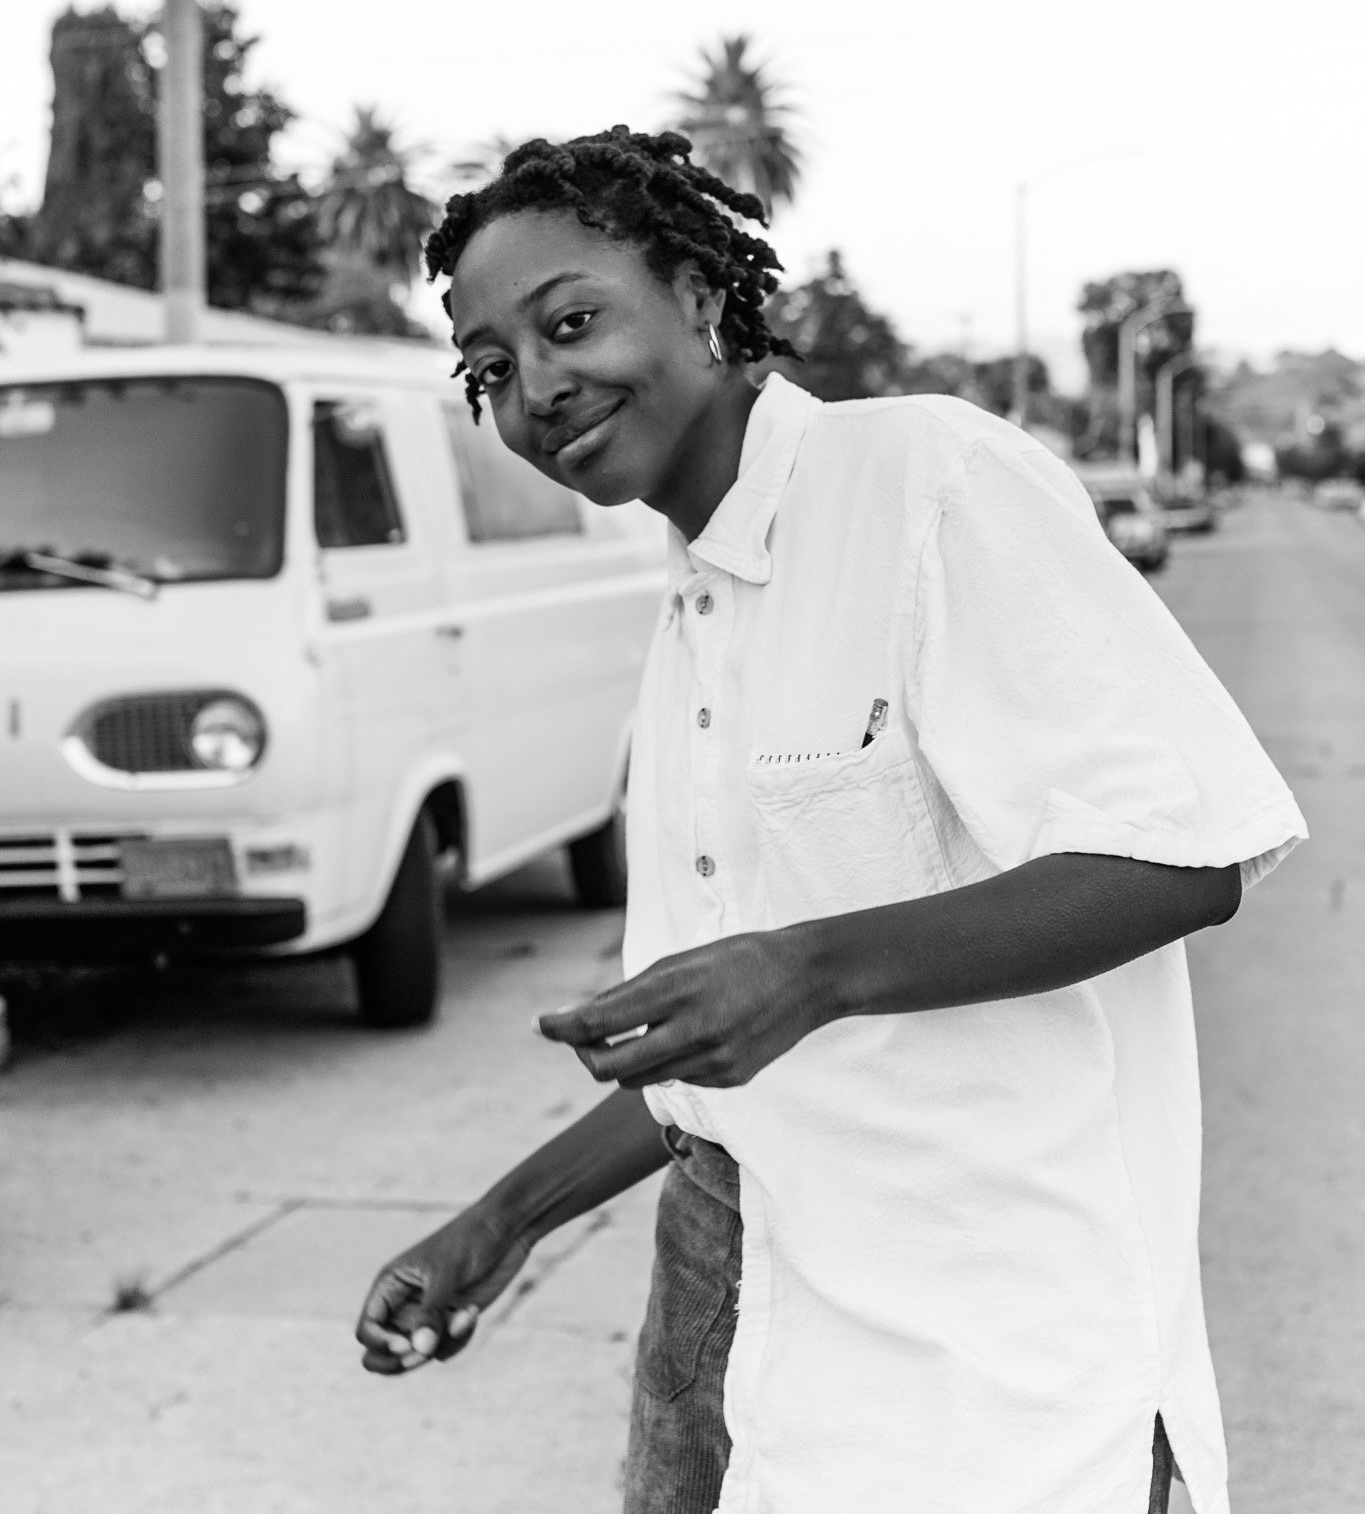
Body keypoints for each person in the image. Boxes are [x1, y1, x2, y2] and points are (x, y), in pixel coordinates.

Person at [355, 125, 1305, 1514]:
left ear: (697, 295)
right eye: (491, 370)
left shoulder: (921, 475)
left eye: (569, 322)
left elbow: (1181, 852)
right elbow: (712, 1045)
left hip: (1009, 1381)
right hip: (771, 1348)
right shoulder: (689, 614)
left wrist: (805, 968)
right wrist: (502, 1221)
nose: (536, 388)